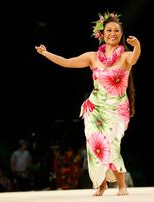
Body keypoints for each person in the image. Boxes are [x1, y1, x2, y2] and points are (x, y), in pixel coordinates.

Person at [35, 11, 141, 196]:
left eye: (117, 30)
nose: (113, 33)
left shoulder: (125, 56)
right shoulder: (93, 57)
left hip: (116, 109)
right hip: (95, 107)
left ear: (121, 34)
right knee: (95, 145)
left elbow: (134, 59)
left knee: (112, 143)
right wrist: (46, 53)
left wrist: (137, 45)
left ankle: (122, 185)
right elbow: (67, 62)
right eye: (109, 30)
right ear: (102, 33)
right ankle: (101, 185)